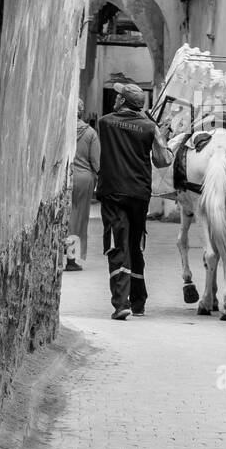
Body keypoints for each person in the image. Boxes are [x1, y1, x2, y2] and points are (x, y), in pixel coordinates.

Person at [96, 82, 172, 320]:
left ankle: (121, 303)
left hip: (113, 193)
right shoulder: (150, 128)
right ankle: (138, 301)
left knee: (117, 245)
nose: (115, 98)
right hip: (139, 195)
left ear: (122, 101)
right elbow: (163, 161)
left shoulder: (105, 122)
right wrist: (161, 133)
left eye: (118, 96)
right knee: (135, 244)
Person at [66, 98, 100, 272]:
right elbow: (96, 162)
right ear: (81, 111)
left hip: (65, 176)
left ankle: (59, 255)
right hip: (84, 178)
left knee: (64, 217)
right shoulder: (90, 133)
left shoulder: (63, 129)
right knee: (78, 219)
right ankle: (71, 260)